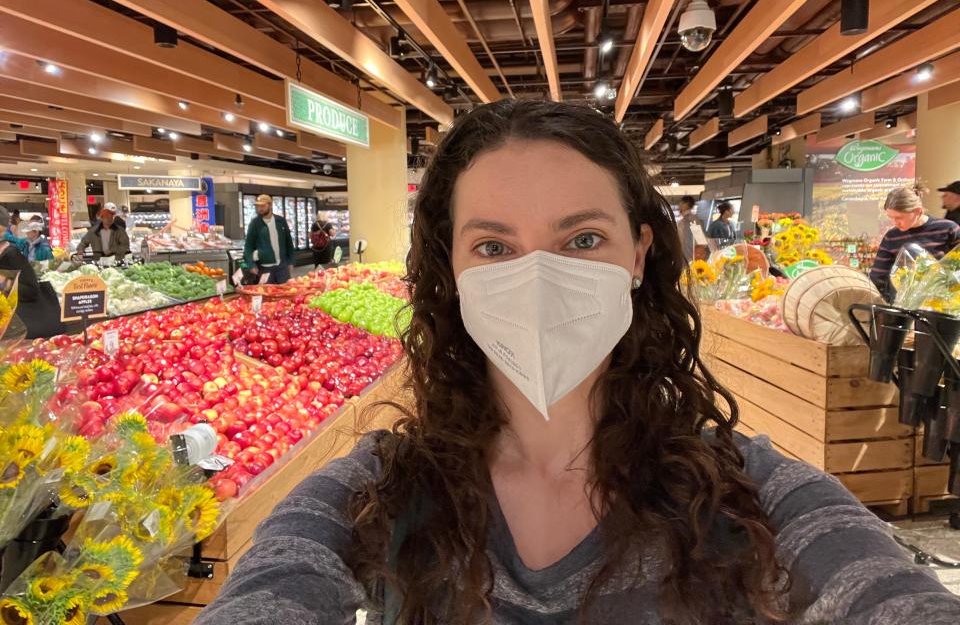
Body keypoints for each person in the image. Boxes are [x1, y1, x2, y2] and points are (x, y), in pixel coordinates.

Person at [197, 100, 960, 625]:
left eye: (582, 239)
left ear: (638, 253)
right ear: (452, 271)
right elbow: (277, 585)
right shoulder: (376, 494)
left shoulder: (750, 495)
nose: (537, 278)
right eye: (494, 246)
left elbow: (883, 590)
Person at [870, 185, 960, 301]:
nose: (894, 222)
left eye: (899, 217)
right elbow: (878, 277)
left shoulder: (948, 229)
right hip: (906, 306)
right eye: (890, 217)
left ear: (918, 211)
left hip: (944, 304)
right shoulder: (891, 237)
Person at [0, 207, 64, 339]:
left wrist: (5, 283)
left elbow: (31, 290)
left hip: (17, 330)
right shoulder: (21, 245)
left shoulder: (11, 253)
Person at [243, 194, 295, 284]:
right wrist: (251, 264)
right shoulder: (255, 223)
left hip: (282, 267)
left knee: (286, 292)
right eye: (258, 206)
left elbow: (289, 243)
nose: (260, 208)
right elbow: (248, 247)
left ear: (270, 205)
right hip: (264, 268)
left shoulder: (281, 221)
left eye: (263, 206)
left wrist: (291, 261)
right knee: (267, 294)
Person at [676, 195, 703, 261]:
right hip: (683, 258)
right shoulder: (682, 221)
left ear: (686, 204)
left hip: (691, 258)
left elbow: (700, 240)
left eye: (681, 203)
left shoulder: (693, 220)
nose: (679, 205)